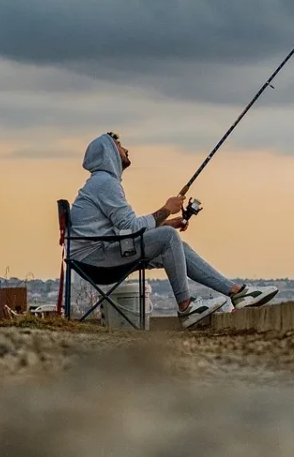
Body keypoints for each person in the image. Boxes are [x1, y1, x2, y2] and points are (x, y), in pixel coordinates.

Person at [67, 132, 278, 328]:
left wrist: (165, 222)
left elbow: (125, 229)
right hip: (95, 261)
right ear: (109, 153)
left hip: (100, 255)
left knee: (176, 244)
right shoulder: (105, 184)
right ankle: (186, 308)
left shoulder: (102, 183)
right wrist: (167, 210)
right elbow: (130, 228)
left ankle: (236, 293)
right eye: (120, 146)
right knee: (168, 238)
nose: (126, 150)